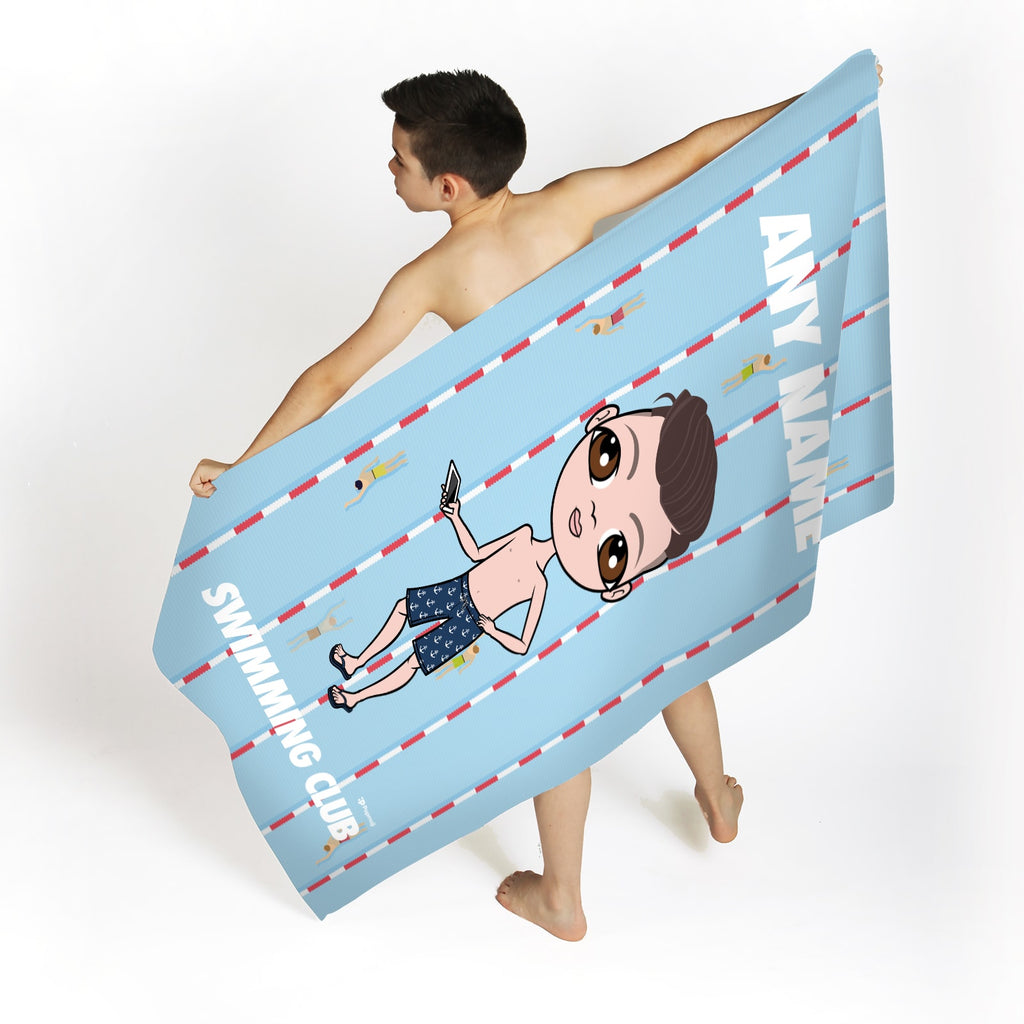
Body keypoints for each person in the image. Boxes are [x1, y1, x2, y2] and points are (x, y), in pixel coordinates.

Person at [188, 65, 878, 938]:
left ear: (447, 185)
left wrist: (245, 468)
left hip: (546, 495)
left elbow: (330, 379)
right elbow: (706, 148)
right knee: (671, 651)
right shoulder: (570, 203)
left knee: (557, 712)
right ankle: (717, 798)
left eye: (399, 161)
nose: (389, 171)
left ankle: (563, 897)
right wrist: (828, 101)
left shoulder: (432, 277)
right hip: (626, 482)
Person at [325, 389, 717, 713]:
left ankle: (356, 697)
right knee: (402, 608)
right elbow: (477, 553)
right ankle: (356, 662)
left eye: (614, 551)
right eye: (606, 456)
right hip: (459, 587)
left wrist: (492, 629)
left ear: (616, 589)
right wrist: (456, 516)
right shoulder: (523, 536)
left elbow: (523, 643)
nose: (594, 513)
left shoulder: (538, 585)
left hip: (473, 621)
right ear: (599, 420)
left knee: (414, 661)